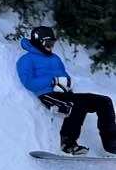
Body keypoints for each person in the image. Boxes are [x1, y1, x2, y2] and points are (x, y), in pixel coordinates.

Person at [16, 25, 116, 155]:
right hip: (47, 94)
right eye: (48, 43)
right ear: (38, 42)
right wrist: (52, 82)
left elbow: (64, 75)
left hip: (63, 92)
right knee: (75, 104)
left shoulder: (54, 58)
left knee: (104, 101)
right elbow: (28, 82)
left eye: (52, 43)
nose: (50, 46)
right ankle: (68, 144)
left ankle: (112, 144)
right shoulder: (26, 60)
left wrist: (66, 82)